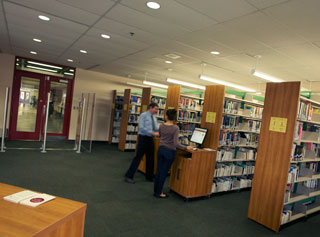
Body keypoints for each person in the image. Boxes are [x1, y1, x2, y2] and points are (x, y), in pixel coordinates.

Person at [154, 109, 193, 198]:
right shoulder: (175, 128)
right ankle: (159, 193)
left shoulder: (161, 125)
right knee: (163, 172)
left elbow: (160, 135)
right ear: (175, 118)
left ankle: (156, 191)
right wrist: (186, 147)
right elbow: (175, 144)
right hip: (169, 152)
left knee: (159, 171)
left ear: (166, 116)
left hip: (161, 150)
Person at [124, 102, 159, 183]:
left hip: (150, 139)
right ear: (150, 107)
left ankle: (149, 176)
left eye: (157, 109)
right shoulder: (143, 115)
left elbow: (156, 128)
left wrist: (161, 130)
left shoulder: (154, 117)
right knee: (138, 158)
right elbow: (142, 128)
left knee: (151, 158)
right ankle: (129, 176)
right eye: (155, 109)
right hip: (143, 138)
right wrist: (152, 133)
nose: (156, 111)